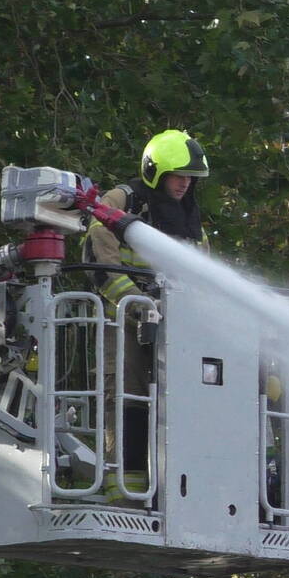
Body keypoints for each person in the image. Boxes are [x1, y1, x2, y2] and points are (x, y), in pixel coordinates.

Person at [82, 128, 210, 501]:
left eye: (190, 178)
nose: (185, 184)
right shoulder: (123, 202)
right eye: (178, 175)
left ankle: (177, 489)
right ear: (155, 171)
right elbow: (99, 260)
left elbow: (203, 274)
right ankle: (126, 489)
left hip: (175, 326)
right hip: (122, 320)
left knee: (187, 396)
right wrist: (139, 306)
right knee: (127, 394)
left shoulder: (189, 219)